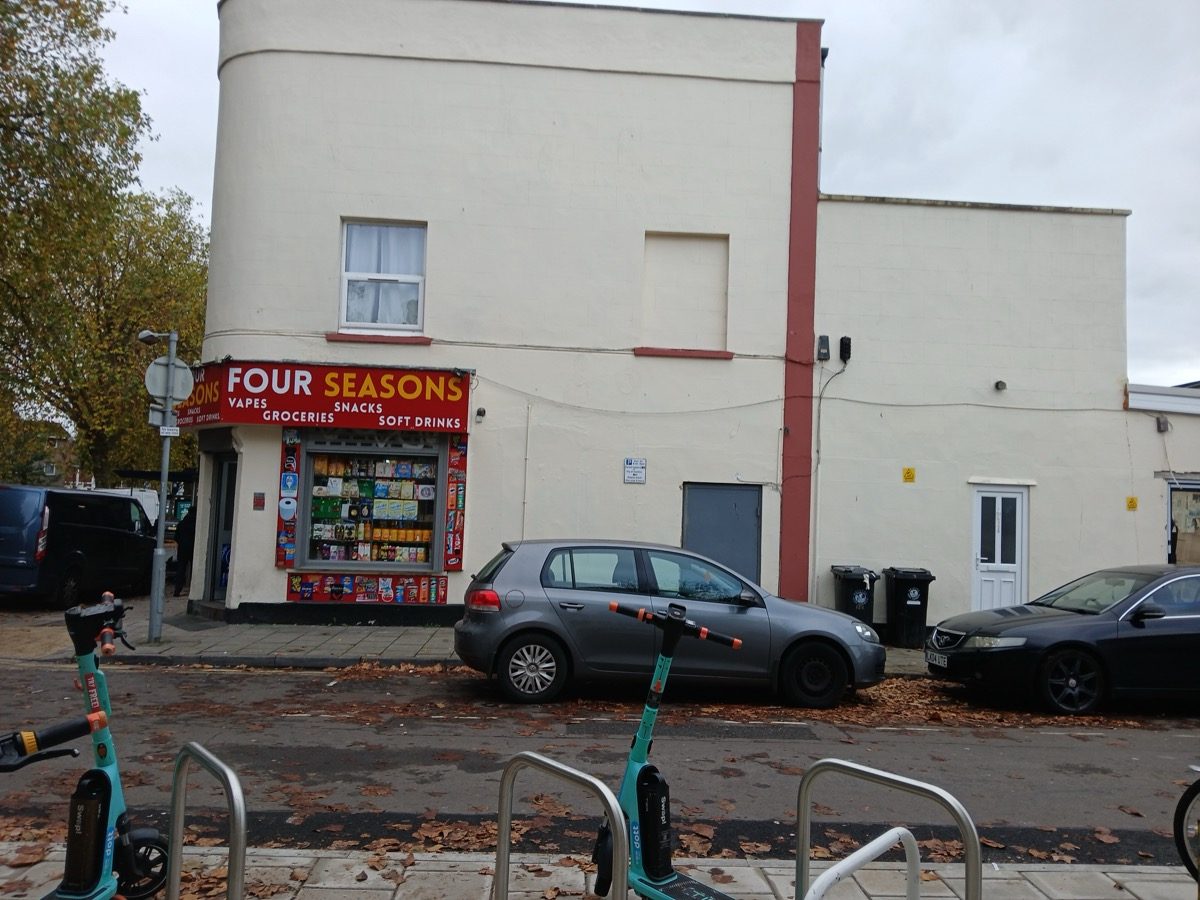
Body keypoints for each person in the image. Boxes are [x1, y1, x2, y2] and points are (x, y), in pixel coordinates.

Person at [173, 506, 197, 597]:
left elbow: (176, 537)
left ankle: (177, 590)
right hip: (193, 549)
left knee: (181, 569)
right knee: (194, 569)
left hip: (182, 549)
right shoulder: (196, 523)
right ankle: (193, 589)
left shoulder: (182, 523)